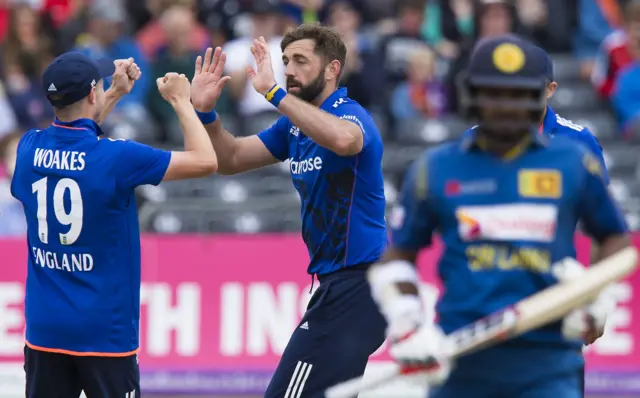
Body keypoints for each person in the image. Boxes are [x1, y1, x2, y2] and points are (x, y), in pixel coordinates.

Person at [365, 35, 630, 398]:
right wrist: (407, 322)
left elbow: (615, 237)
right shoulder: (435, 169)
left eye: (518, 95)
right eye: (494, 93)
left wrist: (596, 297)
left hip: (550, 364)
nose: (506, 106)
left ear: (541, 95)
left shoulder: (573, 161)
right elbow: (397, 257)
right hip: (461, 360)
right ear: (473, 94)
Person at [189, 23, 388, 397]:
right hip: (338, 285)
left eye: (301, 60)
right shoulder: (293, 127)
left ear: (332, 69)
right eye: (285, 61)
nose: (290, 70)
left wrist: (274, 92)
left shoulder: (349, 112)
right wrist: (206, 115)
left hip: (359, 286)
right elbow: (230, 159)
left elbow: (346, 139)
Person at [11, 52, 218, 398]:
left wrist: (115, 93)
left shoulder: (28, 148)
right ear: (92, 94)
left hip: (45, 329)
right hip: (103, 332)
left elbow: (75, 137)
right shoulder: (118, 157)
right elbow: (205, 160)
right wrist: (182, 101)